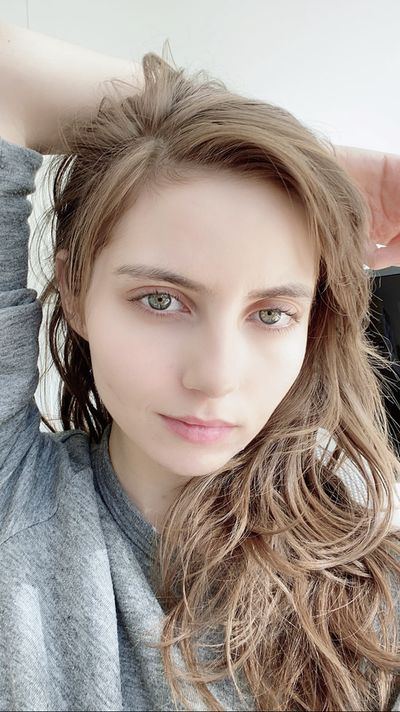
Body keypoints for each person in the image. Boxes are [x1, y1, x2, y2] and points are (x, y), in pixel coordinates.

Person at [0, 21, 399, 712]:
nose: (215, 377)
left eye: (271, 313)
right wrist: (260, 134)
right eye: (161, 300)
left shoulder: (364, 553)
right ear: (75, 289)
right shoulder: (14, 497)